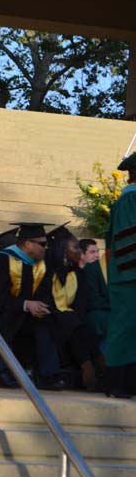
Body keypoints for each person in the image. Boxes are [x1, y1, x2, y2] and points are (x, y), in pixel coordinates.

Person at [0, 222, 62, 390]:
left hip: (27, 316)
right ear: (28, 243)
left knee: (49, 321)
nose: (46, 248)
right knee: (10, 319)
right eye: (42, 244)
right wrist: (24, 304)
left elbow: (48, 295)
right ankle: (1, 371)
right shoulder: (0, 261)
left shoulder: (42, 266)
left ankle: (47, 375)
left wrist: (42, 307)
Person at [45, 224, 103, 390]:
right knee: (78, 328)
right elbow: (46, 301)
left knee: (80, 328)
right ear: (63, 250)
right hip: (52, 319)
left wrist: (73, 318)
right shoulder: (46, 271)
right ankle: (97, 367)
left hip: (72, 321)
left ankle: (90, 369)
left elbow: (81, 303)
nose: (79, 251)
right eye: (75, 247)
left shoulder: (77, 272)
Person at [104, 152, 136, 397]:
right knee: (124, 328)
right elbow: (128, 241)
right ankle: (115, 383)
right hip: (129, 276)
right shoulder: (129, 200)